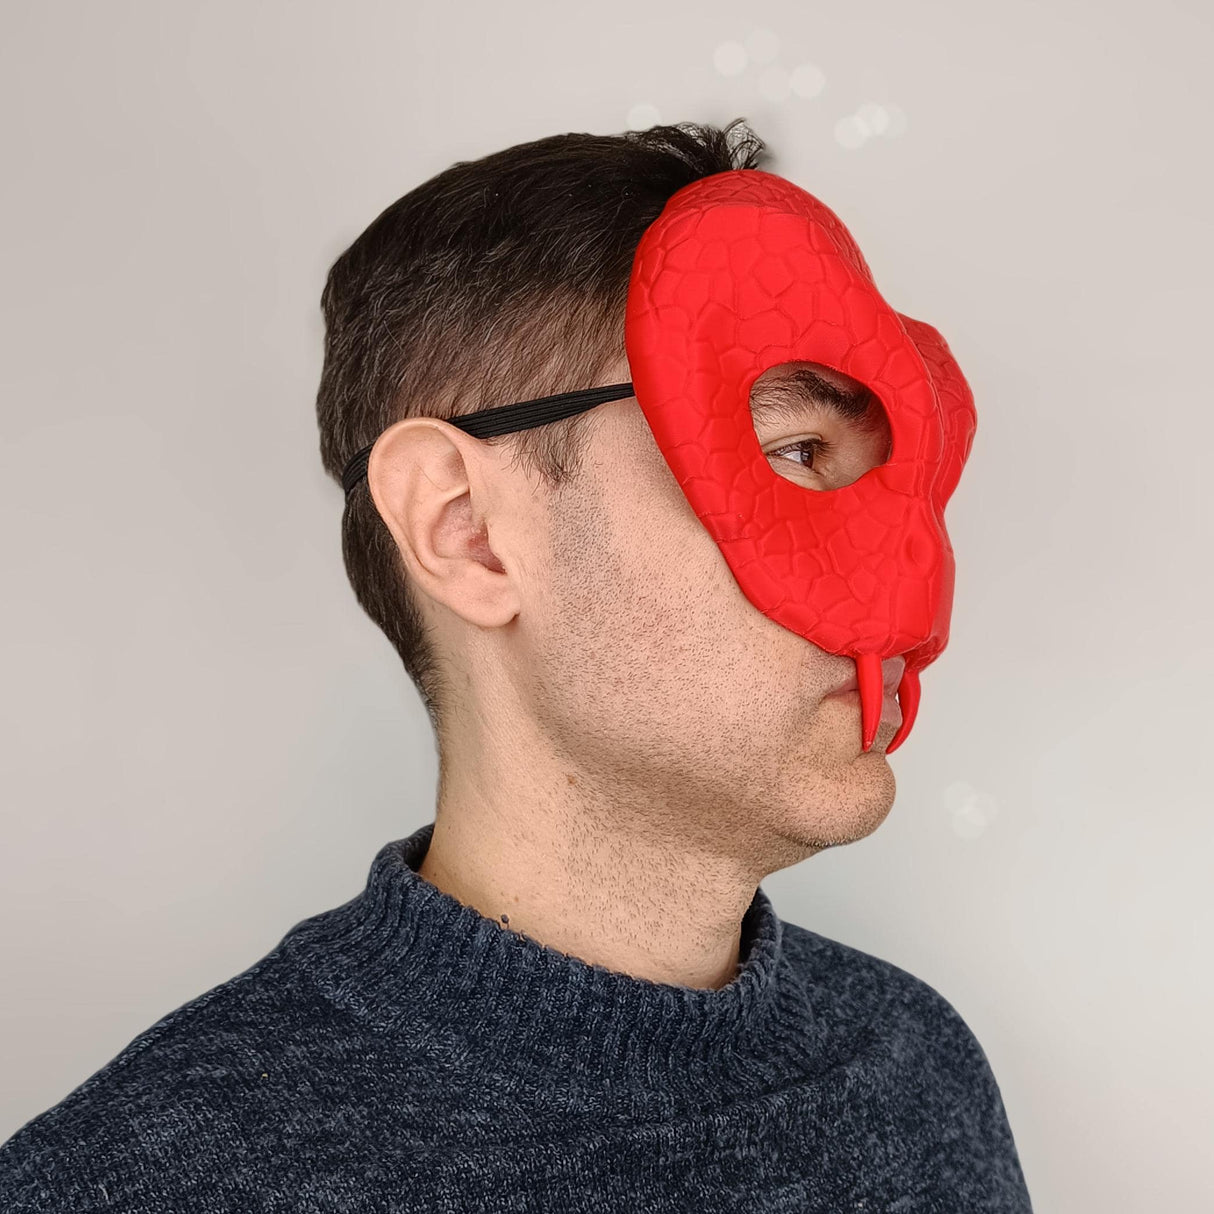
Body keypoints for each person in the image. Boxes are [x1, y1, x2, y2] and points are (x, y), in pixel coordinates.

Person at [0, 118, 1033, 1211]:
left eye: (895, 481)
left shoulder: (916, 1070)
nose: (910, 592)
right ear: (465, 530)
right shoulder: (139, 1183)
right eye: (793, 452)